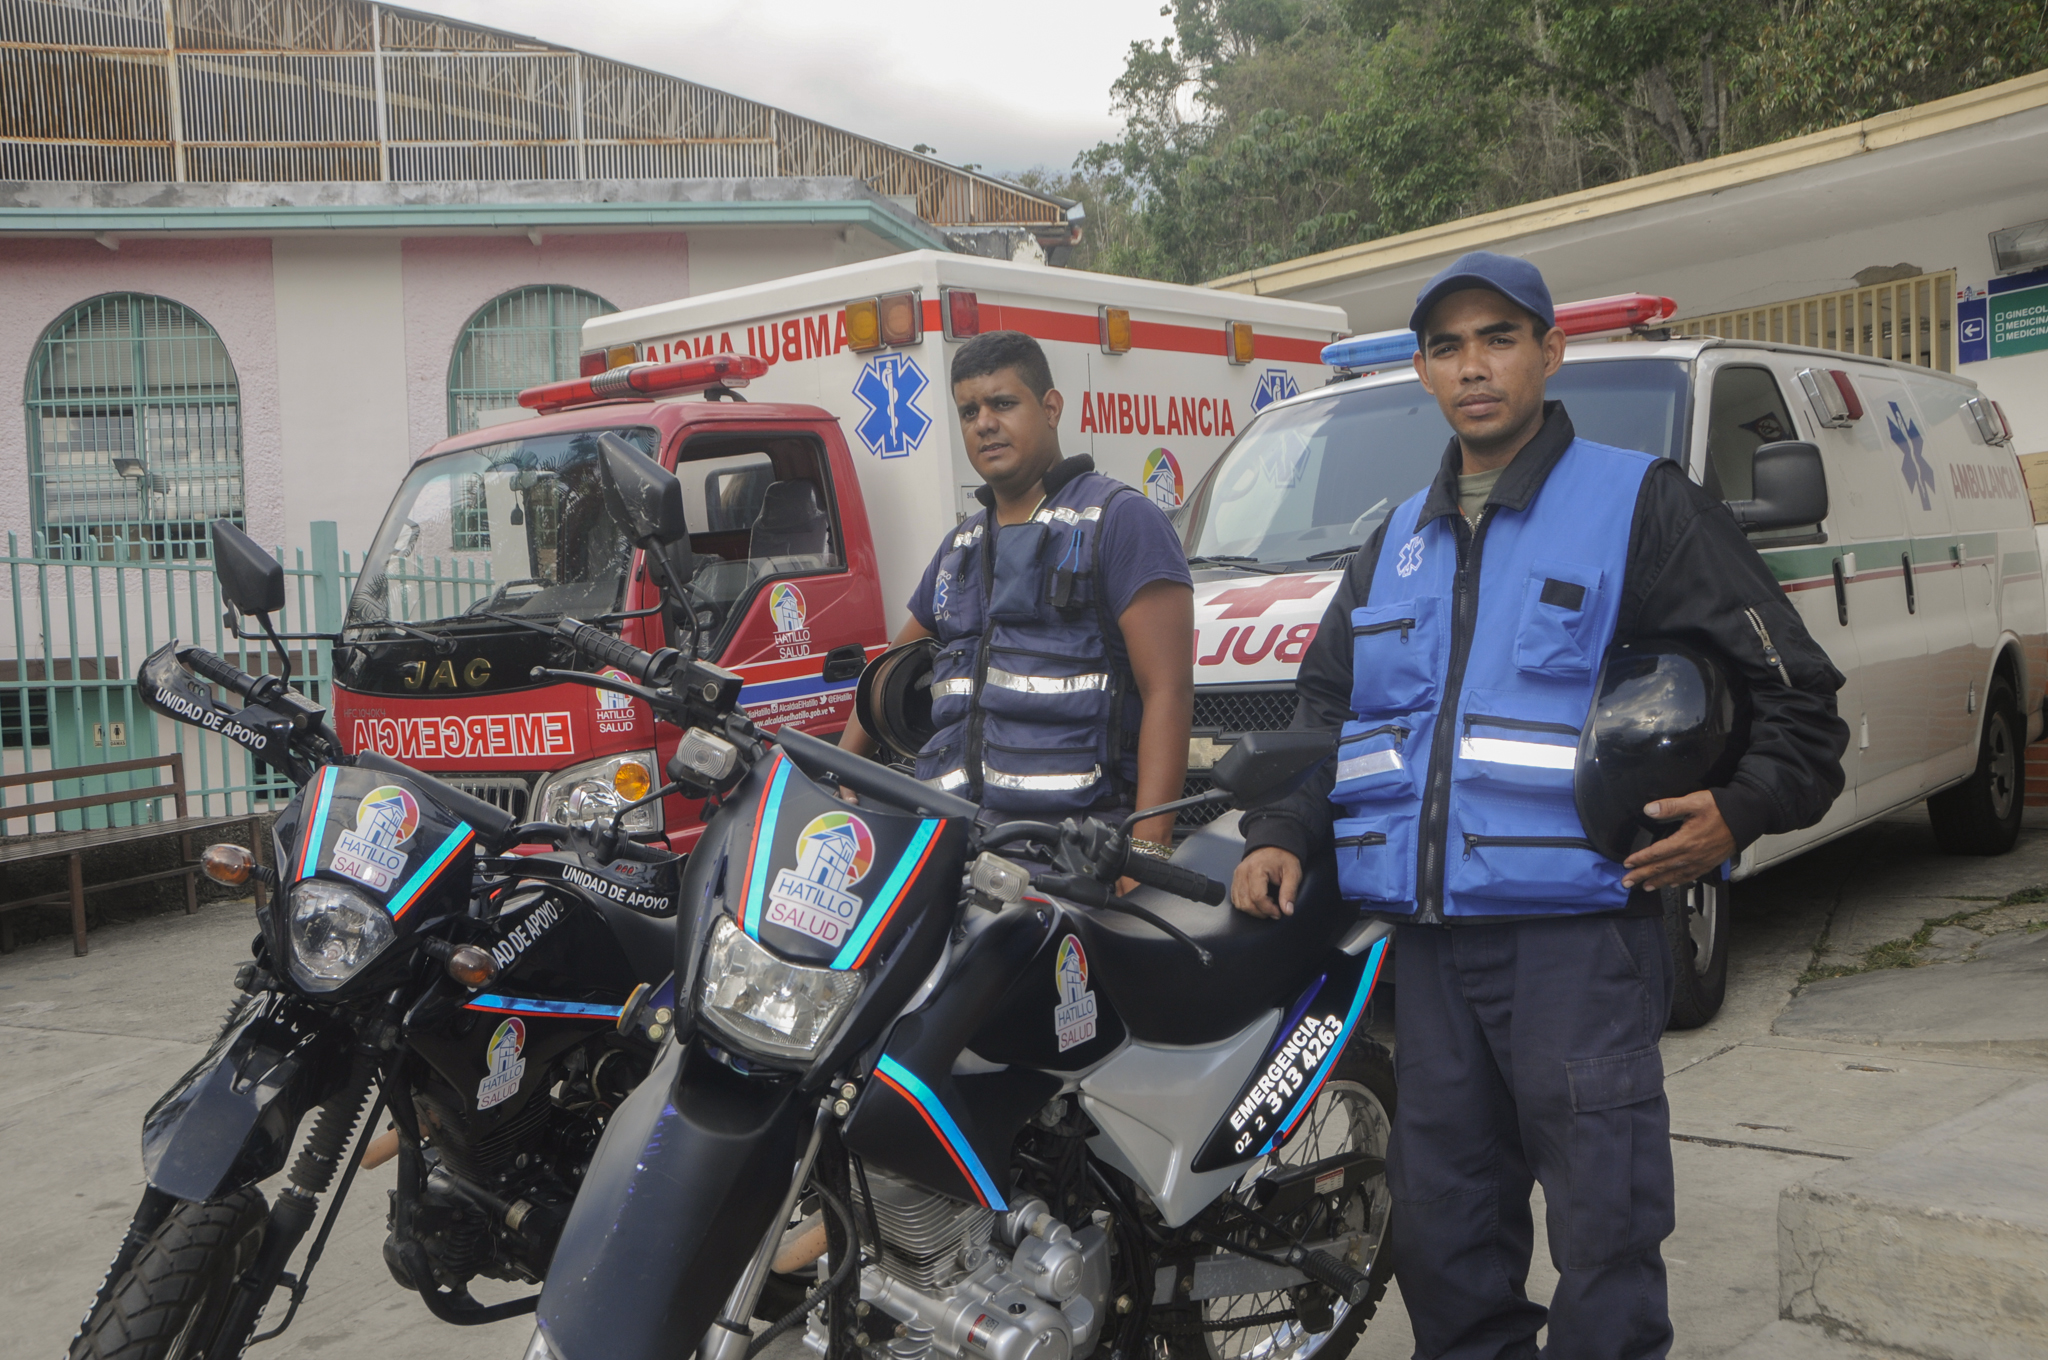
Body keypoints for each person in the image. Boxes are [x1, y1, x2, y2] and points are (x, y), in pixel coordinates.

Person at [1231, 253, 1848, 1359]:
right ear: (1421, 370)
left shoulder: (1638, 503)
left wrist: (1738, 810)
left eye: (1498, 337)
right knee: (1440, 1232)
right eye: (1447, 346)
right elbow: (1328, 708)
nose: (1473, 366)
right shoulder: (1393, 544)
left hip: (1579, 942)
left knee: (1604, 1229)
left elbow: (1797, 696)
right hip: (1425, 955)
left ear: (1547, 352)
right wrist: (1282, 828)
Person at [840, 331, 1193, 864]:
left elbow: (1168, 690)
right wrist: (838, 775)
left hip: (1072, 857)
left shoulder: (1121, 520)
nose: (983, 422)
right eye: (968, 411)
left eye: (1002, 403)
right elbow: (888, 676)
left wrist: (1147, 851)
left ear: (1050, 408)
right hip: (950, 851)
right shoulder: (959, 547)